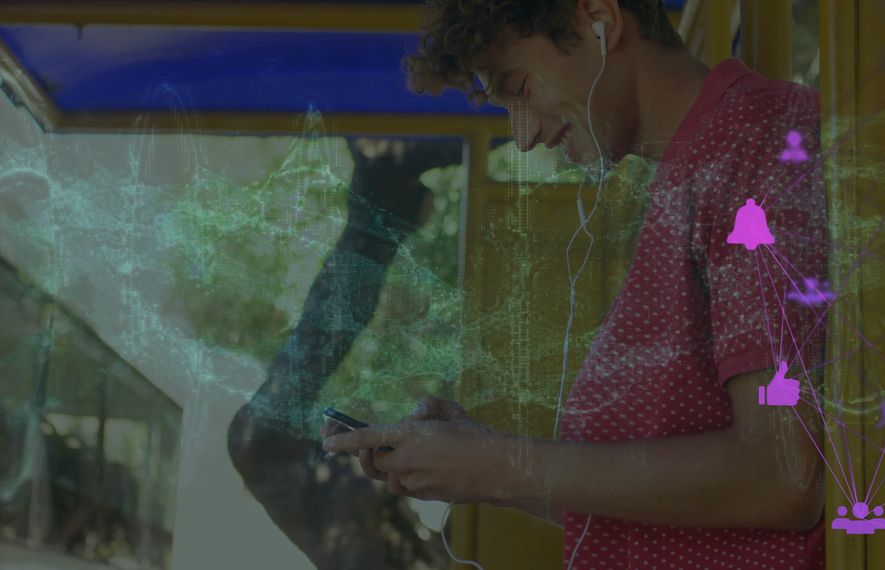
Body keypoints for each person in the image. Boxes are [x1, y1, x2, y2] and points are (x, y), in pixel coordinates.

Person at [321, 0, 829, 568]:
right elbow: (661, 509)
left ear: (600, 20)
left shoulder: (758, 141)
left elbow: (784, 477)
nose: (524, 135)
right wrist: (479, 471)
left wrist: (504, 463)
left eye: (519, 86)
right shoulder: (683, 176)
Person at [227, 138, 460, 569]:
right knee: (323, 336)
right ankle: (385, 200)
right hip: (287, 456)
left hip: (268, 446)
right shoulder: (406, 548)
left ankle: (381, 197)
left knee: (322, 336)